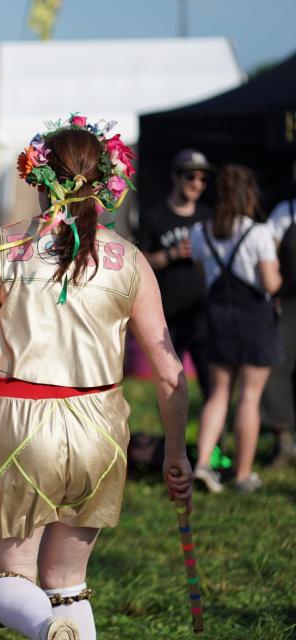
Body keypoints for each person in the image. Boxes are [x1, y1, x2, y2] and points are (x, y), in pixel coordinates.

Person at [0, 117, 192, 640]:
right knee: (68, 582)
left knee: (2, 578)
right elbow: (171, 374)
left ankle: (45, 628)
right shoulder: (130, 260)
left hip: (18, 421)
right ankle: (59, 623)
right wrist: (175, 452)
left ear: (38, 179)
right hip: (101, 428)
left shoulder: (4, 245)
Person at [190, 165, 282, 493]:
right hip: (254, 318)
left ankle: (202, 463)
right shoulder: (258, 233)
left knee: (218, 394)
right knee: (249, 398)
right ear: (249, 195)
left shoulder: (200, 232)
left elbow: (204, 278)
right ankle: (242, 475)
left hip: (218, 316)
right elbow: (270, 282)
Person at [136, 149, 214, 398]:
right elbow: (140, 261)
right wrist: (170, 254)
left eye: (203, 179)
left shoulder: (207, 217)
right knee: (171, 383)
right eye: (191, 177)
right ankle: (171, 437)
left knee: (212, 385)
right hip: (167, 315)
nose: (197, 184)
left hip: (202, 312)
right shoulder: (154, 216)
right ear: (176, 177)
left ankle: (213, 437)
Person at [261, 185, 296, 468]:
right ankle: (284, 442)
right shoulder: (286, 211)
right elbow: (268, 253)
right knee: (277, 369)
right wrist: (270, 294)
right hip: (289, 303)